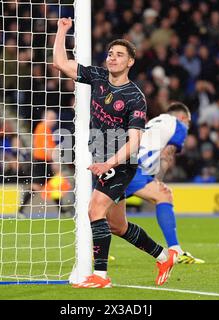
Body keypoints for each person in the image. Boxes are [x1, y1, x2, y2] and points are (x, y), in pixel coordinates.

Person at [53, 17, 177, 288]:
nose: (112, 58)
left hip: (121, 161)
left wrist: (107, 163)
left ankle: (100, 277)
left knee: (95, 209)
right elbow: (62, 64)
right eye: (110, 53)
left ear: (130, 61)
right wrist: (62, 31)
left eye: (119, 55)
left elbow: (134, 142)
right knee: (118, 226)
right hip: (102, 159)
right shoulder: (97, 77)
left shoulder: (135, 97)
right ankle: (163, 256)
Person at [126, 102, 204, 264]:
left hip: (127, 165)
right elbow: (167, 154)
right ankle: (175, 250)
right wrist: (158, 180)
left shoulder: (153, 123)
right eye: (188, 123)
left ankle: (92, 251)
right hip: (135, 169)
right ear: (183, 118)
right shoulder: (179, 125)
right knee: (164, 195)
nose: (188, 127)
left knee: (111, 218)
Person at [18, 109, 57, 216]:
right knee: (36, 186)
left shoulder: (46, 129)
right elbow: (46, 148)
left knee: (53, 184)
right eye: (52, 118)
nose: (54, 121)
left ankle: (62, 210)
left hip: (44, 162)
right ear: (45, 118)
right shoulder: (42, 127)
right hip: (40, 162)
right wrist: (55, 160)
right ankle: (20, 210)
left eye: (54, 118)